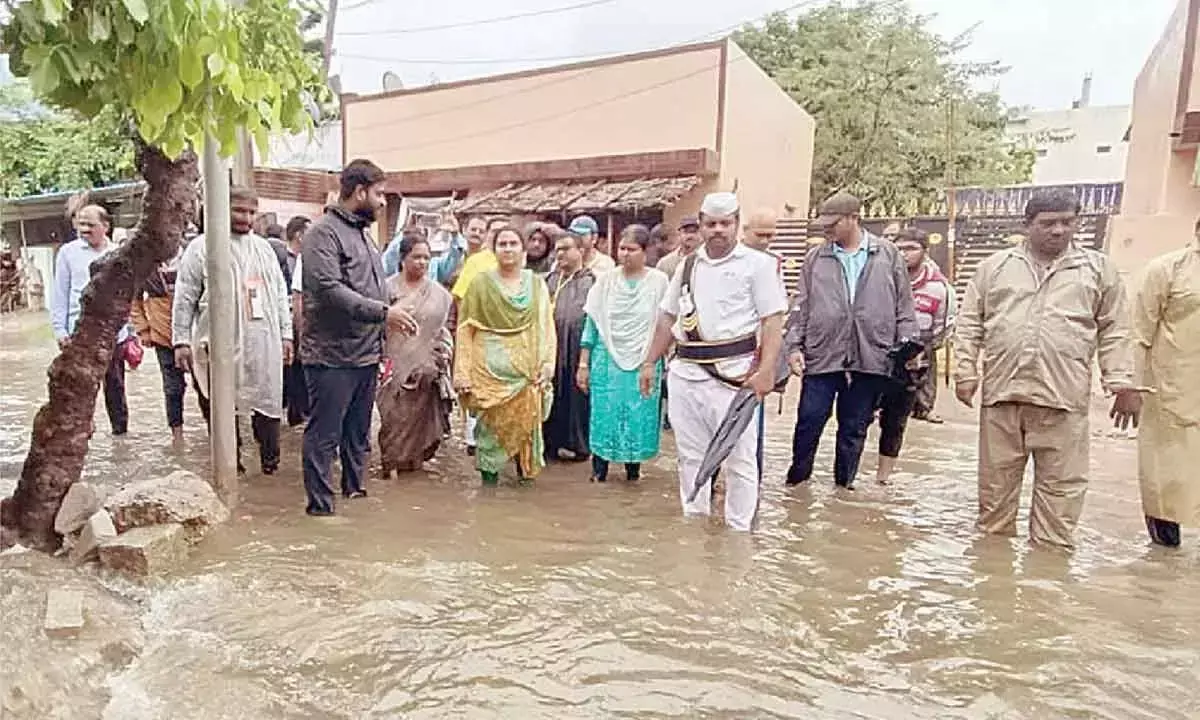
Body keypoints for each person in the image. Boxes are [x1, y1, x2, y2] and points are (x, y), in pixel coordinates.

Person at [954, 189, 1140, 549]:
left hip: (1063, 401)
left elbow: (1115, 328)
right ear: (1028, 225)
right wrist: (965, 372)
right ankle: (995, 584)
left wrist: (1121, 383)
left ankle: (1047, 582)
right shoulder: (995, 268)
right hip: (1003, 398)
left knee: (1060, 509)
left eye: (1067, 222)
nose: (1058, 231)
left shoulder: (1098, 270)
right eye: (1048, 223)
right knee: (993, 509)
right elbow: (969, 323)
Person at [638, 192, 788, 531]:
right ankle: (694, 525)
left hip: (735, 378)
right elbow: (667, 316)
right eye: (711, 224)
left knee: (740, 460)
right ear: (702, 226)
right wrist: (649, 362)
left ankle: (738, 534)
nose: (717, 230)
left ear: (736, 224)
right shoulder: (688, 265)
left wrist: (766, 372)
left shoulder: (758, 265)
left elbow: (772, 321)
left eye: (725, 223)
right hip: (686, 375)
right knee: (690, 456)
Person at [300, 159, 418, 516]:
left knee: (358, 436)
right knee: (324, 436)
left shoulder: (363, 236)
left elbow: (370, 289)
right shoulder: (323, 234)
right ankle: (321, 511)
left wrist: (390, 310)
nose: (383, 202)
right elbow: (329, 290)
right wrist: (384, 313)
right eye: (379, 194)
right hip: (331, 357)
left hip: (366, 355)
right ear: (360, 191)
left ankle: (356, 496)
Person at [784, 191, 918, 490]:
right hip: (822, 354)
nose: (826, 229)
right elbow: (801, 306)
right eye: (824, 223)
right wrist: (793, 346)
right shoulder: (815, 258)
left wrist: (907, 346)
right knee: (809, 420)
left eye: (833, 223)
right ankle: (796, 484)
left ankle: (844, 487)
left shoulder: (887, 254)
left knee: (854, 428)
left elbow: (904, 307)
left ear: (854, 218)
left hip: (871, 355)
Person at [173, 187, 293, 474]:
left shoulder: (264, 249)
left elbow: (279, 295)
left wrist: (287, 335)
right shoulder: (202, 248)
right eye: (239, 210)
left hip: (262, 343)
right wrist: (180, 341)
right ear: (222, 210)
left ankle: (269, 469)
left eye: (252, 212)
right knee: (219, 410)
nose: (246, 217)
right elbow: (185, 296)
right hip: (215, 346)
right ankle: (230, 470)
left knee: (266, 409)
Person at [453, 226, 556, 486]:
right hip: (488, 370)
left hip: (526, 369)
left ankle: (525, 487)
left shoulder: (536, 284)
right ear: (494, 249)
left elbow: (545, 325)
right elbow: (466, 328)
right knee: (490, 433)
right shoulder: (480, 283)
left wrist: (547, 363)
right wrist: (462, 371)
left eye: (513, 244)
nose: (508, 249)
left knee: (527, 432)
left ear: (522, 250)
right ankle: (489, 489)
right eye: (502, 244)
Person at [578, 224, 670, 482]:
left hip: (645, 359)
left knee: (638, 414)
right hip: (606, 359)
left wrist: (660, 357)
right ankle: (599, 471)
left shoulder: (659, 282)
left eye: (632, 249)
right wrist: (583, 363)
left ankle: (633, 471)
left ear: (645, 251)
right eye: (621, 248)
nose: (625, 254)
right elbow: (592, 323)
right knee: (604, 413)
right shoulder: (605, 281)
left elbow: (666, 323)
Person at [1130, 228, 1199, 547]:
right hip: (1171, 391)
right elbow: (1139, 333)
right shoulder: (1167, 269)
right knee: (1166, 482)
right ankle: (1163, 561)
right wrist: (1132, 386)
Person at [874, 228, 952, 485]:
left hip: (913, 361)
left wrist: (922, 352)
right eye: (900, 248)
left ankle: (883, 478)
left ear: (925, 252)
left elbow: (944, 327)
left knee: (895, 422)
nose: (905, 254)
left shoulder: (939, 288)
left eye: (912, 249)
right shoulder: (879, 279)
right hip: (876, 356)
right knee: (858, 417)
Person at [377, 231, 455, 477]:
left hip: (426, 370)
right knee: (394, 422)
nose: (422, 262)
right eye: (416, 257)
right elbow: (374, 326)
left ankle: (414, 471)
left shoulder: (440, 295)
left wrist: (441, 356)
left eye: (426, 258)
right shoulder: (385, 289)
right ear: (402, 258)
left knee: (422, 428)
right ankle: (390, 468)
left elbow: (443, 331)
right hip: (393, 370)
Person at [50, 204, 132, 436]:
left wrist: (130, 332)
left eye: (90, 224)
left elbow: (126, 296)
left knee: (115, 386)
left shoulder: (119, 253)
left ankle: (120, 436)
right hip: (80, 331)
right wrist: (60, 330)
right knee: (79, 387)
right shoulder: (68, 253)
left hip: (114, 332)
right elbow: (60, 293)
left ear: (105, 226)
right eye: (80, 224)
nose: (84, 229)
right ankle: (80, 433)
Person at [452, 216, 505, 455]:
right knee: (475, 388)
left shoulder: (518, 265)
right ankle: (474, 439)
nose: (500, 239)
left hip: (508, 339)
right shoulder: (477, 262)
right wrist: (465, 334)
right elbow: (460, 299)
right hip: (479, 335)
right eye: (494, 233)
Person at [543, 231, 596, 462]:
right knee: (550, 395)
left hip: (579, 352)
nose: (560, 254)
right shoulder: (549, 281)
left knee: (578, 398)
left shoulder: (592, 282)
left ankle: (580, 446)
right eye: (557, 249)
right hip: (551, 351)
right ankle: (549, 444)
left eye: (566, 248)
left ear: (581, 251)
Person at [132, 249, 187, 442]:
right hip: (163, 335)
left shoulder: (191, 255)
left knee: (206, 387)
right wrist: (143, 329)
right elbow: (134, 299)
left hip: (194, 334)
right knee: (173, 388)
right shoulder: (145, 265)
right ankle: (177, 436)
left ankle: (214, 433)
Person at [283, 216, 311, 426]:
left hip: (301, 321)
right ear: (300, 235)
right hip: (291, 321)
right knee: (294, 373)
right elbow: (296, 294)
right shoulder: (284, 259)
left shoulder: (304, 258)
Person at [656, 215, 702, 279]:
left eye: (694, 232)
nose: (690, 236)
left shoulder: (707, 260)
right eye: (686, 232)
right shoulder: (665, 263)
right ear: (679, 234)